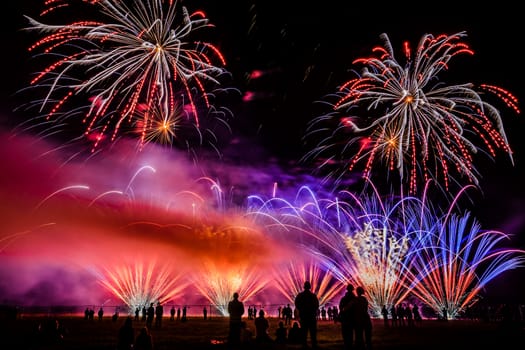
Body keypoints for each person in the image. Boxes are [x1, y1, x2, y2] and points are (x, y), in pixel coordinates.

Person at [294, 280, 320, 348]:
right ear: (310, 287)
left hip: (303, 316)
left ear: (304, 287)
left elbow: (296, 304)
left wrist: (301, 310)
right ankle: (314, 344)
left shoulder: (300, 296)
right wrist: (313, 311)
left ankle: (304, 344)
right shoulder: (313, 296)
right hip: (311, 316)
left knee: (304, 331)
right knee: (313, 332)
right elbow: (317, 305)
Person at [339, 283, 356, 350]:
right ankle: (350, 344)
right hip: (352, 318)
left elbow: (340, 307)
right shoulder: (354, 298)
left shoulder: (343, 298)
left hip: (345, 318)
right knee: (350, 332)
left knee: (345, 332)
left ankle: (346, 344)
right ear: (352, 290)